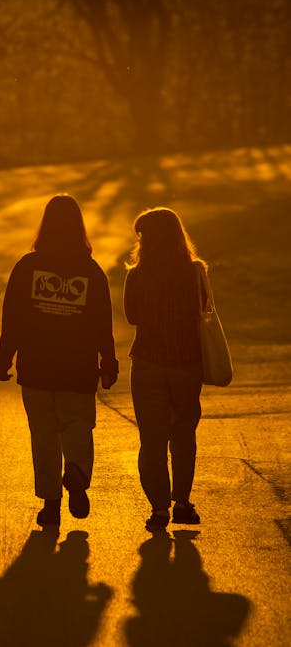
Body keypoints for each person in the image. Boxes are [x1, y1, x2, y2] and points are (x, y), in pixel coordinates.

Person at [0, 194, 119, 527]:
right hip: (77, 367)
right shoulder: (90, 272)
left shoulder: (27, 267)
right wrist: (108, 362)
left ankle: (51, 503)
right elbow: (101, 322)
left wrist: (4, 359)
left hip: (36, 367)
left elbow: (13, 318)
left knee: (44, 434)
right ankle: (77, 470)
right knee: (77, 424)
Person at [123, 207, 209, 531]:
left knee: (152, 440)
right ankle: (183, 504)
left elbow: (132, 316)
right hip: (186, 363)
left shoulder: (137, 274)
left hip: (147, 362)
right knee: (183, 434)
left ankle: (159, 509)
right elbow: (204, 311)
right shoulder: (195, 271)